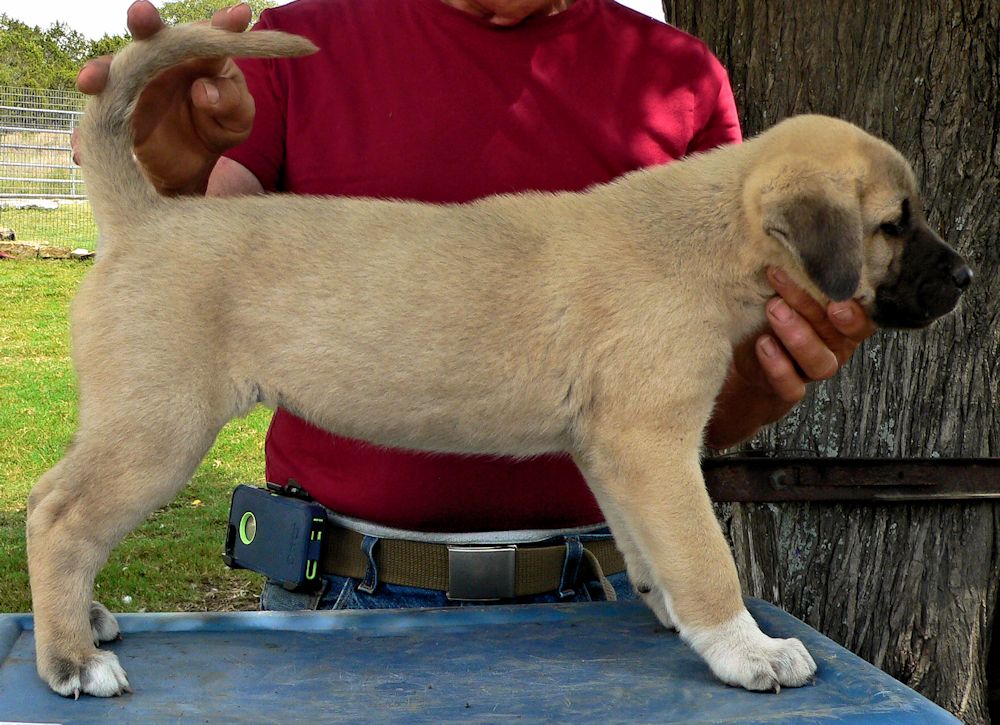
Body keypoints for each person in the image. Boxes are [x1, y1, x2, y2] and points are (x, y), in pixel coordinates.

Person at [76, 0, 875, 611]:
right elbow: (215, 266)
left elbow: (674, 401)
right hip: (337, 597)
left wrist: (763, 382)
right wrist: (171, 178)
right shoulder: (299, 48)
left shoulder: (680, 78)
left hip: (603, 599)